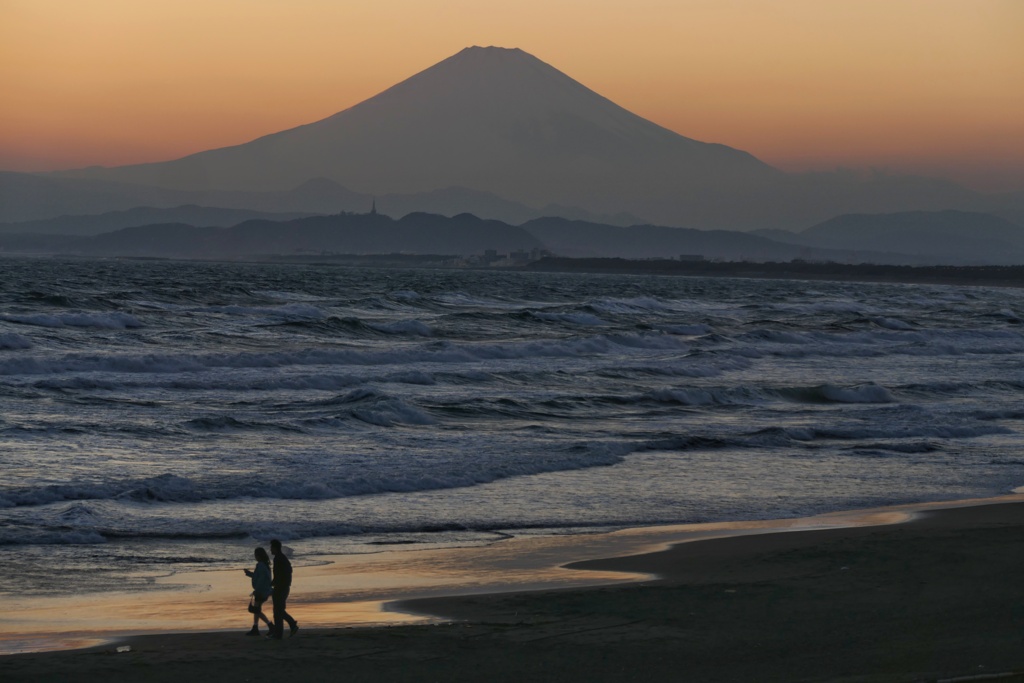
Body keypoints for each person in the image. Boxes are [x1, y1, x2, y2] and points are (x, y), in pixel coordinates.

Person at [268, 538, 298, 639]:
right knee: (279, 610)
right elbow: (289, 570)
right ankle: (291, 625)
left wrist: (272, 584)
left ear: (275, 548)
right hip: (284, 586)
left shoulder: (277, 559)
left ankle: (279, 633)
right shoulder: (283, 558)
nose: (270, 550)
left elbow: (277, 575)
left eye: (271, 547)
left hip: (280, 588)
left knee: (277, 611)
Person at [243, 547, 273, 636]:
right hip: (265, 590)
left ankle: (270, 625)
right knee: (257, 609)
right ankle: (255, 627)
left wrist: (257, 590)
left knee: (256, 610)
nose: (255, 557)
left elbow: (261, 579)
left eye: (255, 555)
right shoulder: (265, 565)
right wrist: (249, 574)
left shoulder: (260, 565)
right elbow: (259, 576)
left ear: (258, 556)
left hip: (261, 591)